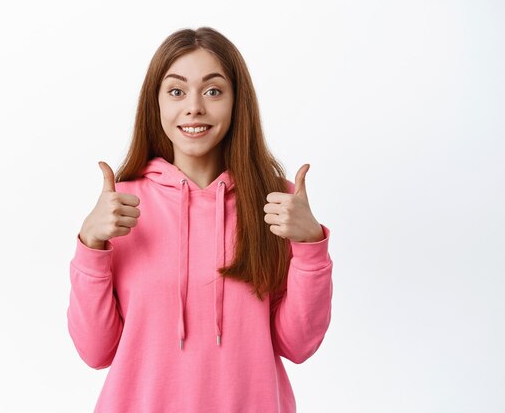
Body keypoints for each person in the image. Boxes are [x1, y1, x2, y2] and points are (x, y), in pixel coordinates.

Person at [67, 26, 333, 413]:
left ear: (236, 101)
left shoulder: (277, 205)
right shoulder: (121, 207)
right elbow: (95, 351)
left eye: (213, 90)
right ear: (155, 103)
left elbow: (298, 344)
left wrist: (309, 249)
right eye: (176, 91)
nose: (194, 107)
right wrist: (90, 246)